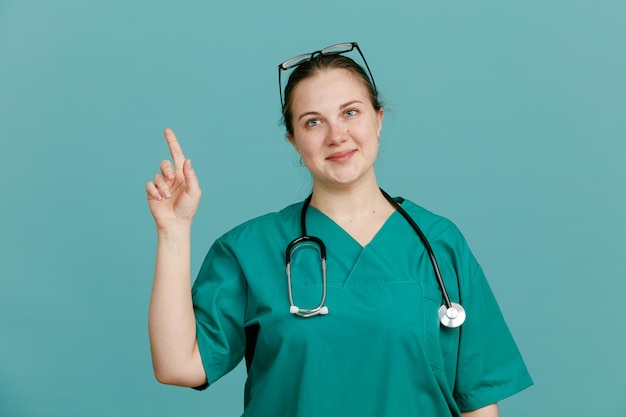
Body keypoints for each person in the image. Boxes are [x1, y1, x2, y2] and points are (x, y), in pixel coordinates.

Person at [146, 42, 533, 417]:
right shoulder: (248, 251)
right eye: (313, 122)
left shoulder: (439, 242)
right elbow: (178, 366)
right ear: (294, 142)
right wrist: (174, 230)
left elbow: (478, 400)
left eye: (350, 113)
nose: (336, 135)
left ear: (378, 120)